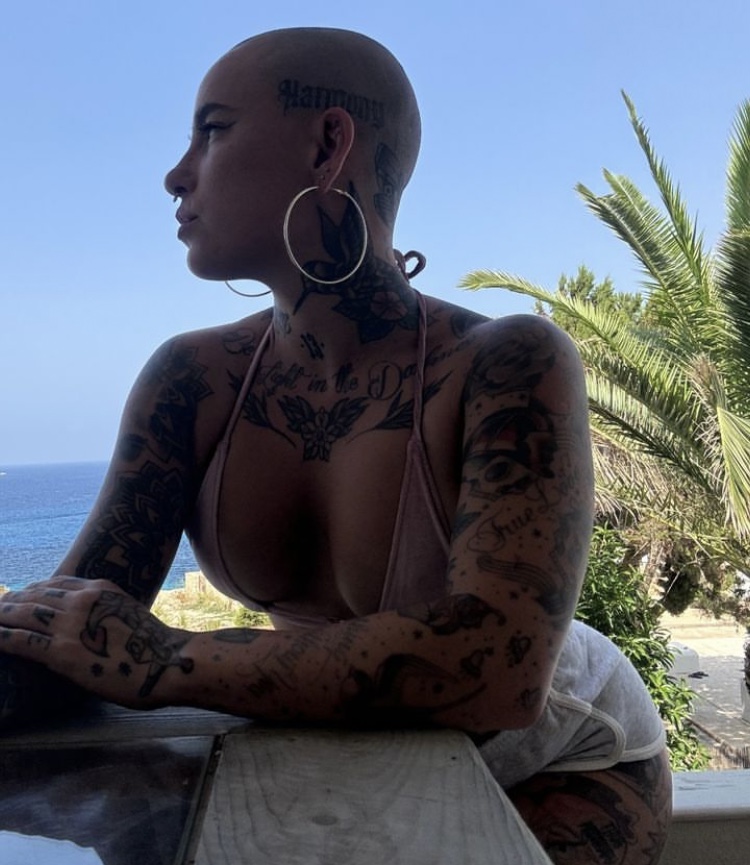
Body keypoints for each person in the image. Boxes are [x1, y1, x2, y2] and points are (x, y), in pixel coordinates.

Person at [0, 28, 671, 864]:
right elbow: (69, 633)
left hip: (564, 753)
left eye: (212, 130)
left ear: (327, 145)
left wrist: (165, 655)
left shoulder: (504, 362)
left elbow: (499, 671)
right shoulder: (192, 379)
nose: (176, 174)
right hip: (356, 742)